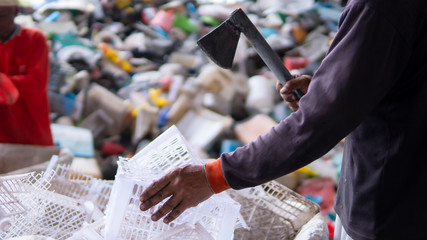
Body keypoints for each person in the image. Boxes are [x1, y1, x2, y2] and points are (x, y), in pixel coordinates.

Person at [139, 0, 427, 239]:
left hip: (393, 213)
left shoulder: (381, 7)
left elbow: (320, 123)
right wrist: (333, 91)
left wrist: (214, 175)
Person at [0, 0, 53, 146]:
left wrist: (3, 82)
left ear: (16, 11)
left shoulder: (35, 39)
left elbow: (36, 83)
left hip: (30, 129)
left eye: (2, 16)